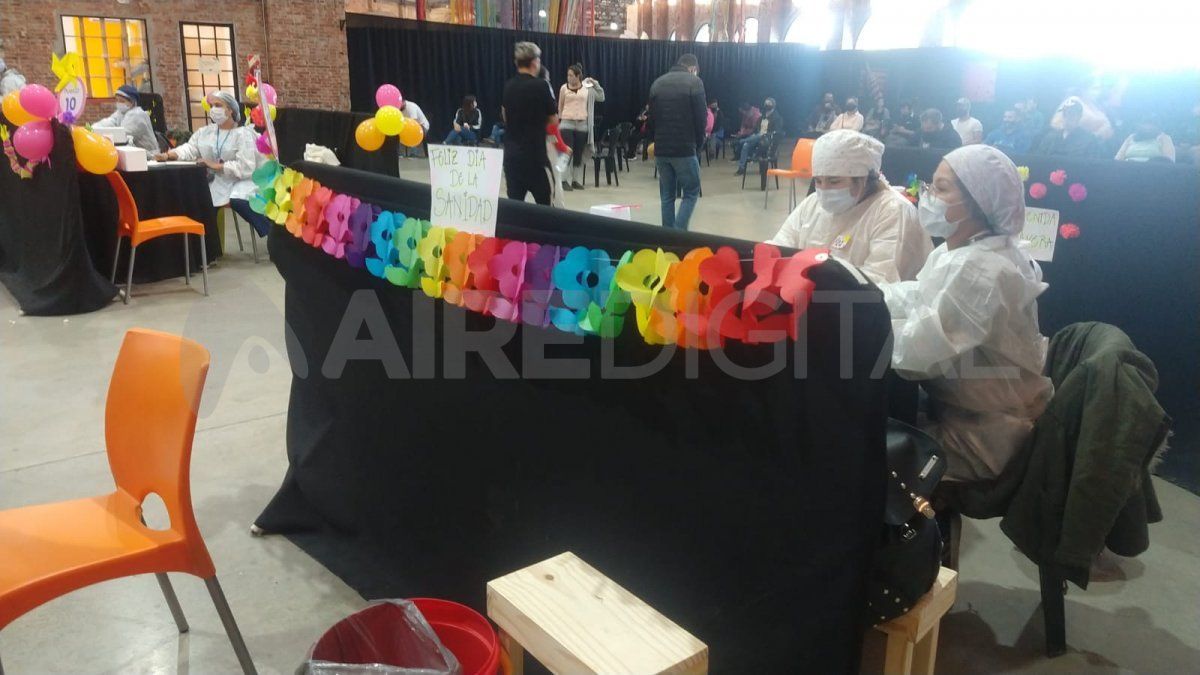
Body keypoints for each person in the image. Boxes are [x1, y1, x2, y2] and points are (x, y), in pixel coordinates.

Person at [880, 144, 1054, 482]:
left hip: (983, 437)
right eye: (930, 185)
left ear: (979, 201)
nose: (927, 196)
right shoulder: (964, 251)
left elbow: (915, 356)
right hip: (962, 411)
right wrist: (862, 291)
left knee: (856, 448)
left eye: (941, 188)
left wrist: (856, 325)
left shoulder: (979, 269)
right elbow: (917, 295)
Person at [768, 130, 931, 284]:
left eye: (834, 181)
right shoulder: (813, 203)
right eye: (818, 181)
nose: (824, 190)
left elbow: (880, 281)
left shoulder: (892, 211)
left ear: (863, 179)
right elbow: (781, 245)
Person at [154, 91, 271, 237]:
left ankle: (271, 232)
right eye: (211, 106)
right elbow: (190, 148)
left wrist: (217, 166)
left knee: (238, 200)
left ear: (230, 110)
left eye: (218, 105)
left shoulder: (243, 134)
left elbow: (246, 167)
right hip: (217, 181)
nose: (213, 109)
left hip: (242, 179)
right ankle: (207, 243)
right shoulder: (205, 132)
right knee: (199, 200)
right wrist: (170, 154)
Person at [648, 53, 706, 230]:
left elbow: (652, 120)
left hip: (661, 149)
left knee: (667, 195)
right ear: (693, 68)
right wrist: (698, 145)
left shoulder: (657, 84)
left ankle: (667, 237)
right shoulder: (695, 83)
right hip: (684, 149)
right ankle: (679, 235)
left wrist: (655, 142)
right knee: (691, 192)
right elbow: (701, 119)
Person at [501, 41, 558, 205]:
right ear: (535, 62)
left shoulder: (508, 86)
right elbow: (554, 121)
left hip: (512, 158)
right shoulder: (542, 85)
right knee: (545, 206)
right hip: (535, 158)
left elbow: (505, 116)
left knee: (516, 207)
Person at [557, 63, 606, 191]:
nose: (568, 77)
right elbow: (560, 105)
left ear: (578, 76)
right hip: (567, 123)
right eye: (568, 75)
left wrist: (595, 83)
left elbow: (601, 97)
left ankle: (575, 180)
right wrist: (560, 120)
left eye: (571, 75)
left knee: (578, 153)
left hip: (582, 124)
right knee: (567, 151)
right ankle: (563, 180)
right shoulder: (564, 88)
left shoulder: (587, 89)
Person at [93, 84, 158, 153]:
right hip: (134, 153)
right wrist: (92, 129)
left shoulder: (137, 115)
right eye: (117, 100)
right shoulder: (121, 113)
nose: (119, 103)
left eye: (122, 101)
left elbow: (123, 135)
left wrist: (100, 136)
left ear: (132, 102)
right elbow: (110, 122)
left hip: (149, 156)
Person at [735, 97, 783, 176]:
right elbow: (755, 129)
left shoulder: (777, 118)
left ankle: (739, 142)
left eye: (769, 103)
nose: (767, 105)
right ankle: (741, 168)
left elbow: (777, 132)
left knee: (761, 135)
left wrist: (764, 134)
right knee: (746, 145)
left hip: (768, 140)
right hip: (758, 138)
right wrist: (753, 134)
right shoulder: (762, 117)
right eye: (765, 103)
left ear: (773, 105)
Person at [1036, 100, 1101, 158]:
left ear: (1079, 117)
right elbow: (1038, 159)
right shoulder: (1050, 138)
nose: (1066, 117)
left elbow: (1092, 164)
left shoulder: (1089, 140)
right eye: (1064, 114)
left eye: (1071, 114)